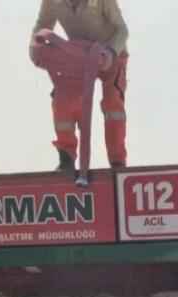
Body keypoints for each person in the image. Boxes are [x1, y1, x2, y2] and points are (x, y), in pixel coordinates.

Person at [33, 0, 130, 172]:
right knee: (64, 101)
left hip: (112, 54)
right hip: (78, 55)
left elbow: (122, 30)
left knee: (113, 105)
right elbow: (43, 24)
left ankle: (117, 163)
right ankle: (66, 159)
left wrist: (110, 53)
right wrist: (34, 47)